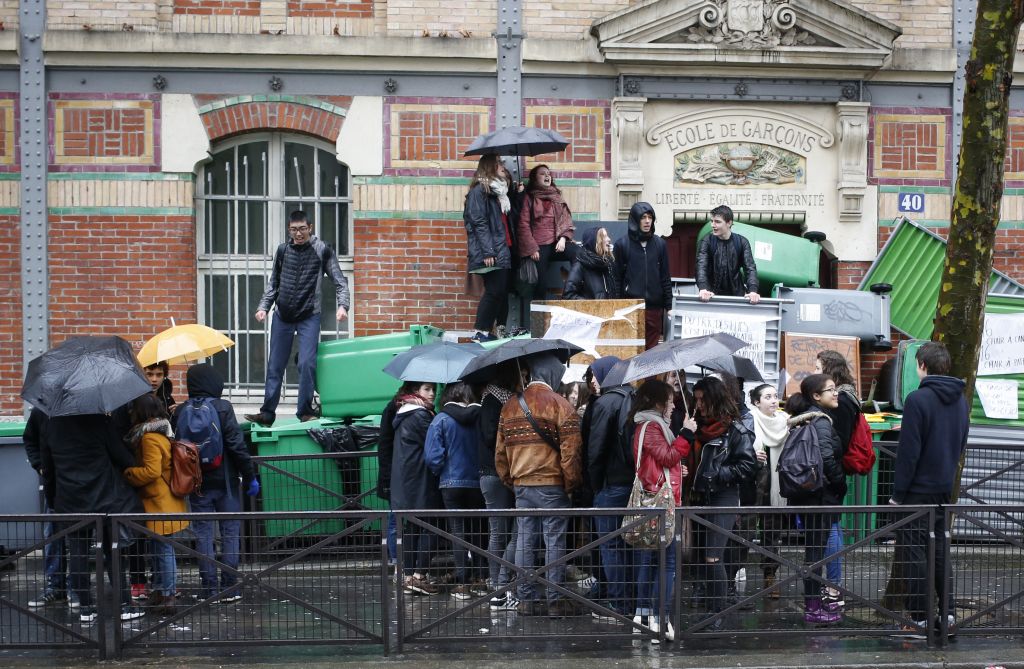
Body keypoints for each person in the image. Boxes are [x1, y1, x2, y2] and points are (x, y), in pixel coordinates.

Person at [495, 353, 583, 618]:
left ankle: (525, 600)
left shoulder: (509, 407)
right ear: (552, 375)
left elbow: (500, 454)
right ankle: (554, 601)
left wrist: (513, 482)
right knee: (554, 541)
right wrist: (570, 484)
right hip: (553, 485)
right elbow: (571, 454)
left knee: (525, 540)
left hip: (522, 485)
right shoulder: (561, 406)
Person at [890, 341, 968, 636]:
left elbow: (909, 453)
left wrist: (898, 494)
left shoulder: (917, 399)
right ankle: (948, 615)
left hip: (917, 489)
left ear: (922, 365)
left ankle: (921, 618)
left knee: (914, 552)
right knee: (940, 549)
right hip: (943, 486)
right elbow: (961, 442)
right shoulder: (961, 400)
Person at [245, 209, 351, 426]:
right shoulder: (283, 250)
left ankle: (304, 411)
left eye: (302, 229)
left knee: (306, 363)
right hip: (282, 315)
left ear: (310, 228)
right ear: (289, 230)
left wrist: (343, 306)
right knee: (275, 365)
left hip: (309, 315)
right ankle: (267, 413)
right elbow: (274, 283)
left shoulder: (322, 250)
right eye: (294, 230)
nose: (299, 234)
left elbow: (340, 281)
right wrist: (263, 307)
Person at [41, 412, 145, 623]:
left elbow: (48, 469)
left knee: (78, 555)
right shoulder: (100, 421)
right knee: (113, 552)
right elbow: (123, 458)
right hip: (105, 497)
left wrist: (53, 500)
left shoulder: (51, 425)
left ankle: (86, 608)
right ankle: (124, 605)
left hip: (70, 500)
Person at [177, 363, 259, 602]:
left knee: (203, 535)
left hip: (197, 483)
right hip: (227, 483)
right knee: (230, 533)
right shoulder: (223, 407)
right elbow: (236, 445)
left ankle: (209, 588)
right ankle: (229, 587)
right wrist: (250, 476)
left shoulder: (180, 410)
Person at [687, 376, 757, 630]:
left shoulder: (735, 430)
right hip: (697, 496)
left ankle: (717, 613)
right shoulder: (695, 427)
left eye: (703, 399)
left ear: (715, 399)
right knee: (701, 555)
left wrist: (718, 474)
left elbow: (748, 465)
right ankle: (710, 608)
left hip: (723, 495)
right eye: (696, 399)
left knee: (713, 556)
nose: (699, 405)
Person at [630, 380, 692, 642]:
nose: (673, 405)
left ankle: (644, 615)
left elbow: (661, 462)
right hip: (661, 504)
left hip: (655, 500)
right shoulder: (652, 426)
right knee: (667, 563)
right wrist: (686, 434)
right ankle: (660, 619)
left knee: (651, 560)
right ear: (657, 403)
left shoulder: (650, 425)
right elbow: (667, 456)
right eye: (669, 400)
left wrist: (678, 469)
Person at [784, 375, 847, 625]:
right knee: (815, 554)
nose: (836, 393)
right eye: (830, 390)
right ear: (816, 396)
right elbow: (826, 458)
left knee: (814, 551)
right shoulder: (820, 421)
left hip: (808, 493)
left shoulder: (806, 418)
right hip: (821, 495)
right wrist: (840, 484)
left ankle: (814, 604)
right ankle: (812, 608)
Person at [122, 394, 190, 615]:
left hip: (159, 501)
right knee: (160, 548)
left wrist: (128, 473)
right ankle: (160, 591)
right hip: (164, 500)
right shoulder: (162, 433)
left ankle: (167, 594)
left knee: (163, 550)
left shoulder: (149, 438)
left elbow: (152, 471)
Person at [582, 355, 636, 620]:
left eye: (595, 374)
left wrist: (594, 484)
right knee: (631, 545)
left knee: (611, 545)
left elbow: (596, 449)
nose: (592, 380)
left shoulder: (606, 402)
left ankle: (619, 604)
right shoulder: (636, 398)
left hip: (610, 485)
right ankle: (633, 602)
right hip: (634, 484)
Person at [424, 382, 488, 600]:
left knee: (458, 532)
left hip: (451, 484)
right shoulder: (480, 417)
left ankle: (463, 583)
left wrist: (442, 471)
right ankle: (481, 579)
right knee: (478, 531)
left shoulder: (441, 419)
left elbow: (432, 457)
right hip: (477, 482)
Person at [385, 380, 441, 596]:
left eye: (434, 389)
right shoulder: (419, 416)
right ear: (415, 390)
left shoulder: (405, 412)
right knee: (431, 527)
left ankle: (408, 576)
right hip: (420, 481)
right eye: (427, 389)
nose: (432, 393)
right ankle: (419, 576)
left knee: (413, 528)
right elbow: (435, 443)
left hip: (406, 483)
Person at [815, 350, 860, 612]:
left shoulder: (841, 401)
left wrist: (832, 472)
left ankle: (833, 588)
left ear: (829, 369)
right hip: (836, 470)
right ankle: (833, 585)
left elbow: (836, 441)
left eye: (818, 367)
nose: (815, 371)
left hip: (833, 471)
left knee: (830, 525)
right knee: (833, 524)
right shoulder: (847, 396)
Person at [23, 408, 77, 610]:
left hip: (79, 484)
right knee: (53, 537)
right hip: (54, 485)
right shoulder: (42, 412)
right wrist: (40, 465)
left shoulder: (82, 410)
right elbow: (30, 439)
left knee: (78, 538)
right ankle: (56, 587)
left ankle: (75, 587)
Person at [464, 155, 515, 342]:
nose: (503, 166)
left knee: (502, 291)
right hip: (491, 251)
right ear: (490, 166)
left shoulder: (499, 193)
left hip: (504, 249)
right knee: (494, 291)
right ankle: (480, 331)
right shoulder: (479, 191)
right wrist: (488, 251)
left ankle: (499, 329)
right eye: (499, 163)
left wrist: (516, 191)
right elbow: (479, 223)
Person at [515, 165, 575, 323]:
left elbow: (566, 220)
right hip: (539, 246)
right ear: (535, 178)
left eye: (549, 174)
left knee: (578, 253)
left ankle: (574, 286)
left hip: (557, 243)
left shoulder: (557, 197)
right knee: (541, 285)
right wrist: (531, 248)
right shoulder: (529, 198)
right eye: (542, 174)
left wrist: (563, 239)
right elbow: (523, 224)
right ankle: (537, 324)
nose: (547, 176)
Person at [748, 383, 789, 598]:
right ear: (757, 402)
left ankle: (770, 575)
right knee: (744, 530)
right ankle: (733, 575)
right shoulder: (749, 420)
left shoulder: (785, 421)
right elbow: (740, 448)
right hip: (753, 483)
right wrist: (751, 455)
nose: (774, 400)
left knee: (772, 532)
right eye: (767, 397)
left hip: (777, 485)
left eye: (775, 396)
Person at [613, 202, 673, 350]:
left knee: (651, 352)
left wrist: (669, 306)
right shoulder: (622, 245)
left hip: (654, 308)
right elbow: (617, 279)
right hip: (631, 307)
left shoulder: (660, 244)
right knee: (631, 350)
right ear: (635, 220)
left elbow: (665, 277)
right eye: (643, 217)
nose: (647, 221)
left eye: (650, 217)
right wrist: (617, 306)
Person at [695, 205, 759, 304]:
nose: (713, 225)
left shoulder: (742, 242)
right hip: (711, 297)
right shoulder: (707, 241)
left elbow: (750, 268)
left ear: (729, 223)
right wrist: (703, 288)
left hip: (737, 297)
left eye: (717, 222)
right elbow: (701, 265)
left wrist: (753, 291)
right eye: (712, 221)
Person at [563, 227, 618, 300]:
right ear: (594, 241)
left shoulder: (607, 264)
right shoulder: (580, 265)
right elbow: (568, 295)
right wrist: (589, 304)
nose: (609, 239)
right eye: (604, 236)